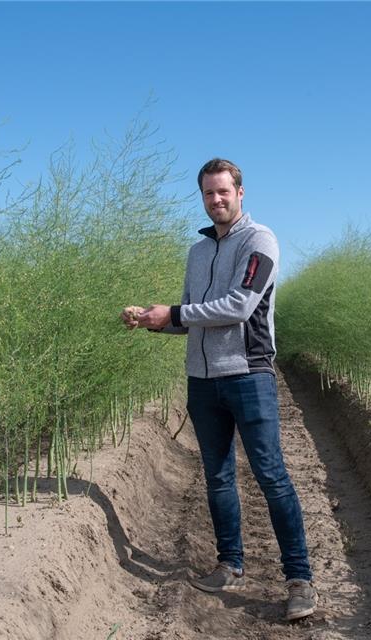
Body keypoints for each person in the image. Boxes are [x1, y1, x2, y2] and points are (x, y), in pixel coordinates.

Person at [121, 158, 317, 621]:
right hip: (203, 382)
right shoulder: (197, 252)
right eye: (209, 193)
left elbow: (238, 307)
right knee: (218, 477)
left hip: (248, 376)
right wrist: (152, 320)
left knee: (271, 477)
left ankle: (300, 580)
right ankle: (229, 564)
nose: (216, 200)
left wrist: (174, 312)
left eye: (223, 192)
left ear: (241, 192)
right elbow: (193, 317)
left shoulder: (260, 240)